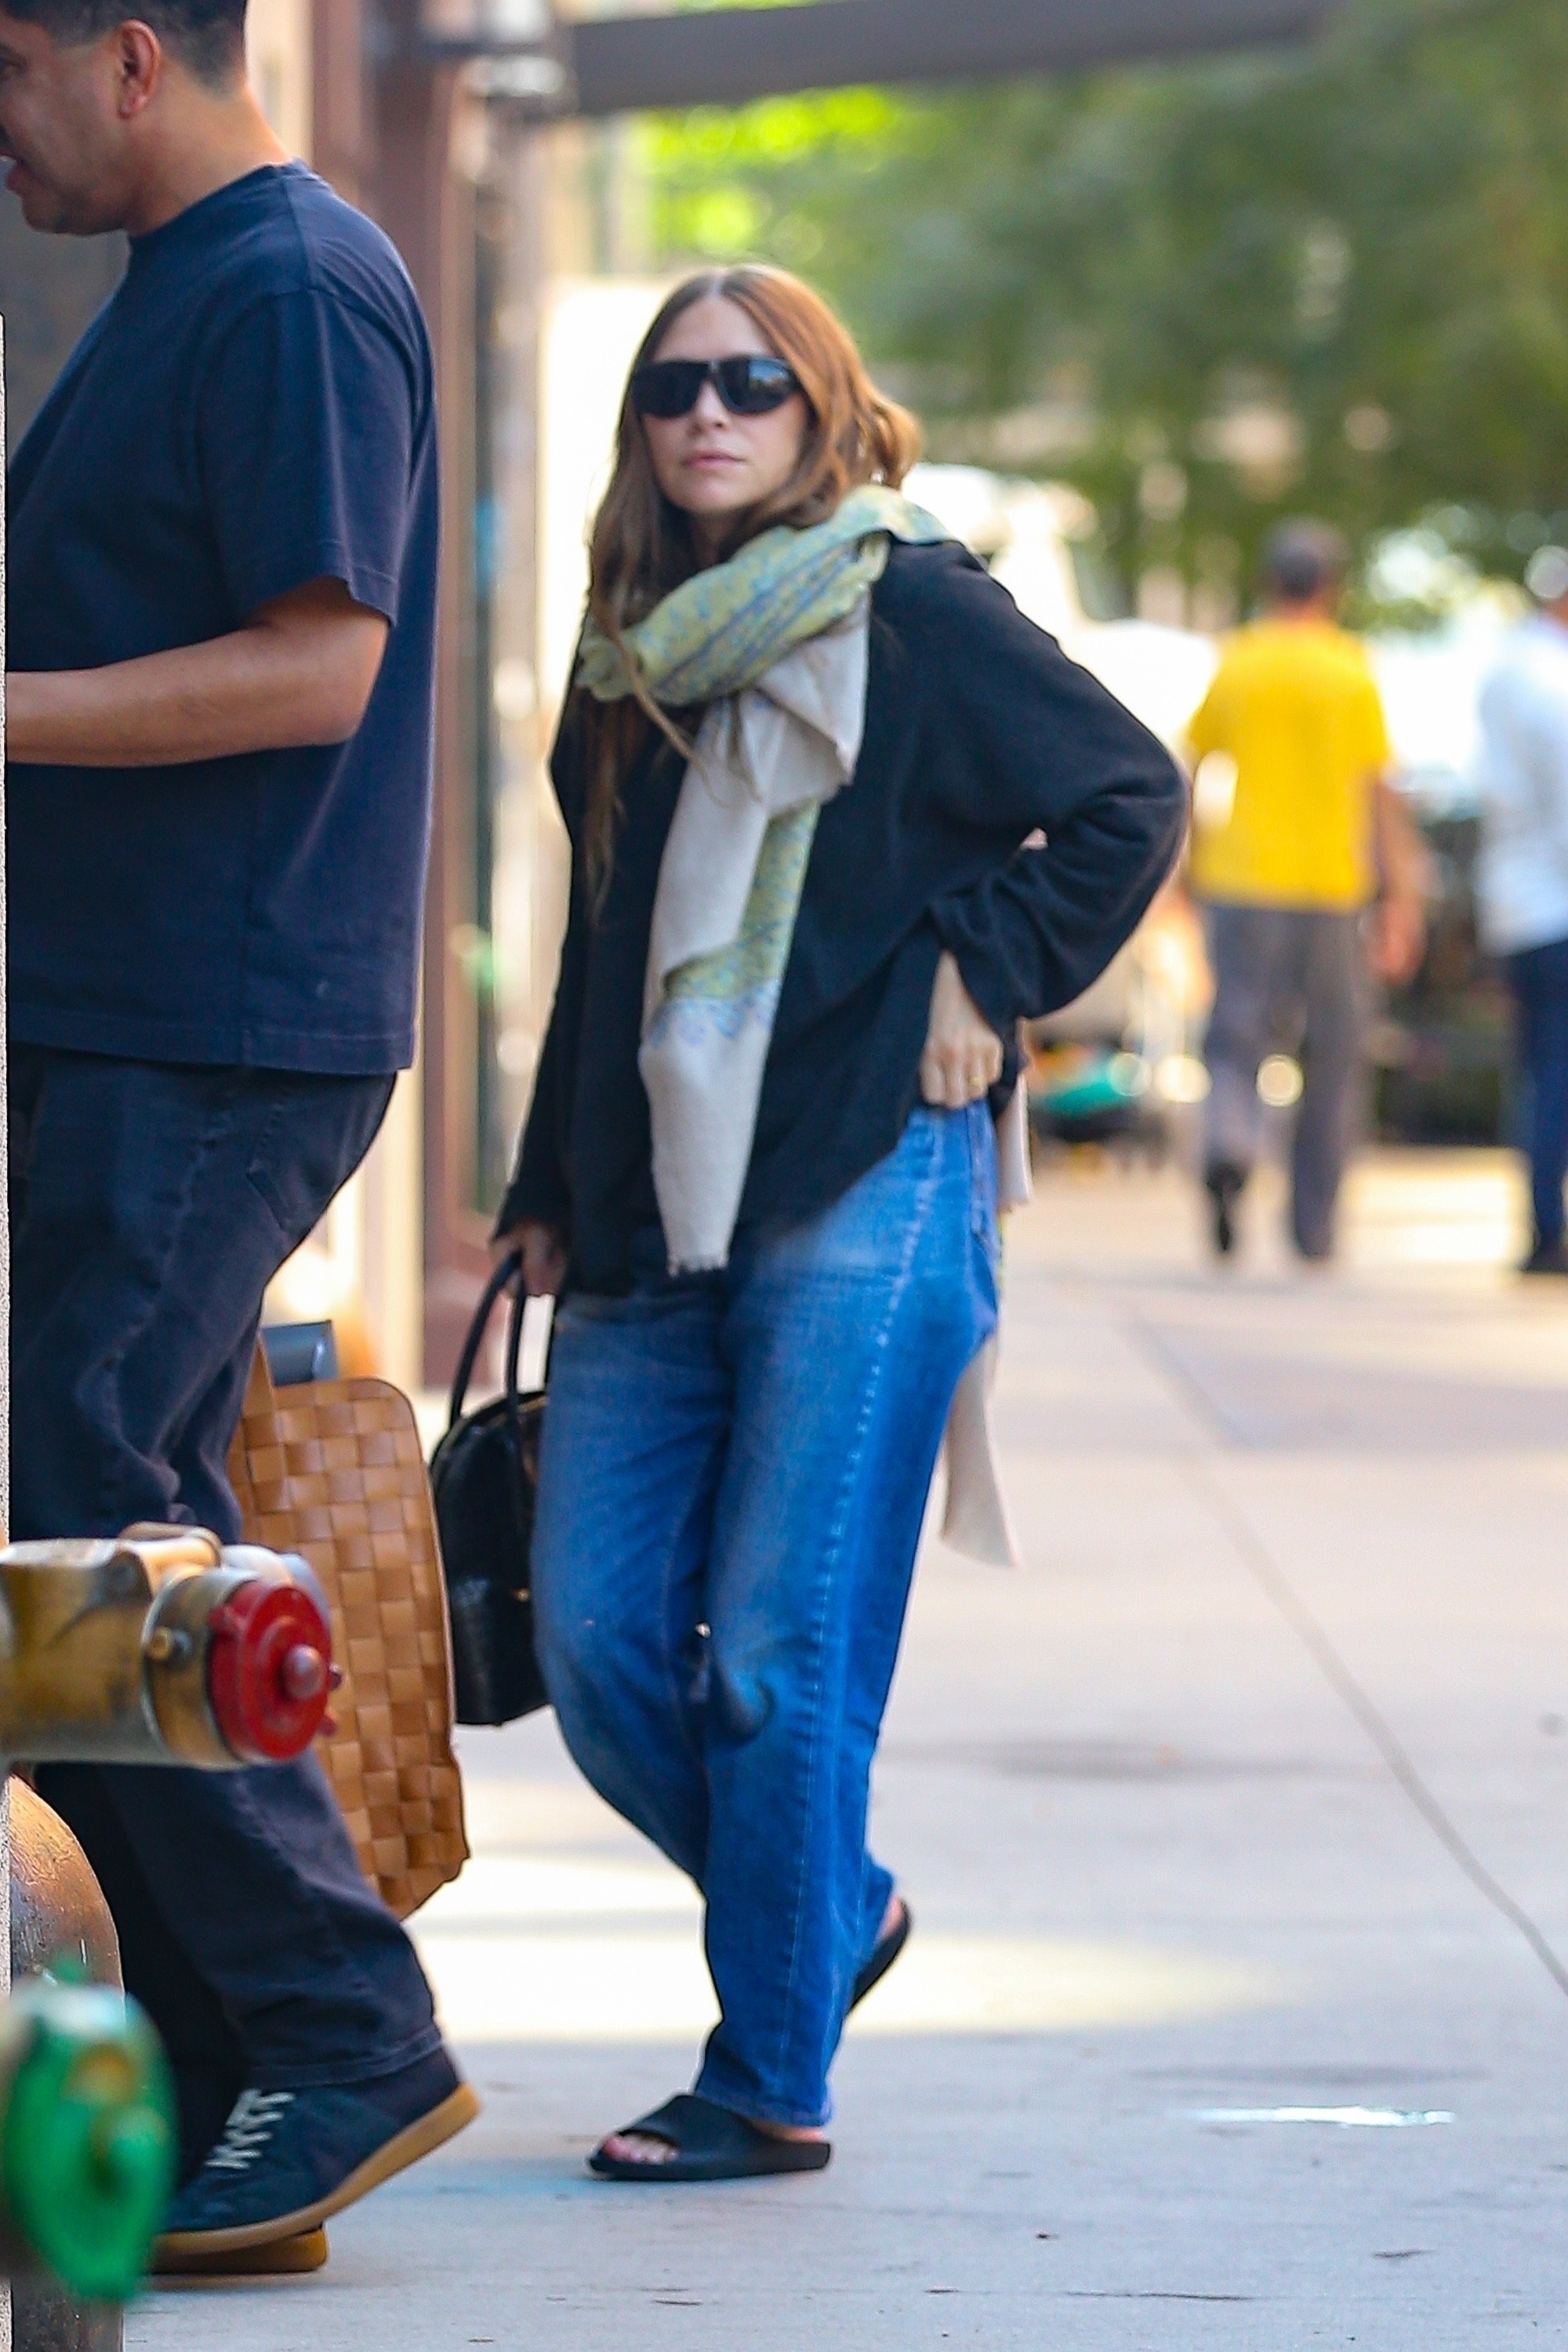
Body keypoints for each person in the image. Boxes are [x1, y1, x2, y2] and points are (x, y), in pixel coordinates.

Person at [492, 265, 1185, 2180]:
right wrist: (550, 1179)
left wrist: (988, 969)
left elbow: (1128, 795)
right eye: (672, 389)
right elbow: (605, 939)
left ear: (823, 411)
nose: (709, 415)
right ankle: (833, 1905)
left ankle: (765, 2070)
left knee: (778, 1656)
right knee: (606, 1638)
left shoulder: (912, 606)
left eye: (753, 385)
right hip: (650, 1202)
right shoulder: (626, 654)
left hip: (864, 1182)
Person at [0, 0, 476, 2268]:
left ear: (121, 56)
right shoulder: (203, 282)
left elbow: (318, 665)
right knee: (106, 1520)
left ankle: (340, 2024)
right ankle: (233, 2073)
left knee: (83, 1504)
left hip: (214, 1018)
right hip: (144, 1010)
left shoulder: (286, 282)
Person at [1185, 521, 1426, 1261]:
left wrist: (1186, 866)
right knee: (1336, 1053)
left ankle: (1229, 1139)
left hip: (1242, 879)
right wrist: (1403, 902)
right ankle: (1313, 1224)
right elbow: (1380, 793)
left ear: (1269, 583)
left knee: (1235, 1037)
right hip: (1331, 888)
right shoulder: (1350, 669)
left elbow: (1193, 767)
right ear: (1331, 586)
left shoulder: (1240, 660)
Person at [1476, 545, 1568, 1276]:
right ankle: (1547, 1227)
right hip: (1555, 903)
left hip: (1517, 905)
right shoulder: (1551, 681)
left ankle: (1541, 1220)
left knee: (1538, 1070)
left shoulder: (1509, 670)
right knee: (1554, 1070)